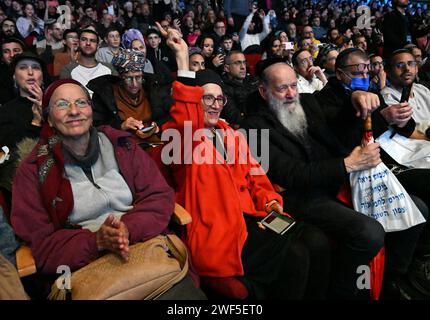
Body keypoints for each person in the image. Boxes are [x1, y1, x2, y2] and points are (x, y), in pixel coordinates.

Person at [160, 27, 331, 300]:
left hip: (254, 218)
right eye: (206, 98)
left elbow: (257, 178)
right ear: (194, 101)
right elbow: (185, 121)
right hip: (218, 230)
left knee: (318, 242)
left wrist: (270, 203)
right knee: (297, 256)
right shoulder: (179, 139)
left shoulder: (233, 135)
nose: (215, 105)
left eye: (219, 98)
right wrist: (182, 61)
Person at [241, 59, 429, 299]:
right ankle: (342, 293)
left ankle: (392, 280)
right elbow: (292, 174)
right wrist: (349, 164)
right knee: (368, 232)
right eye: (282, 88)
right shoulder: (252, 129)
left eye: (293, 86)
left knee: (416, 209)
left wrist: (357, 95)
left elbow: (340, 117)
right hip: (301, 197)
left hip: (342, 182)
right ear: (264, 91)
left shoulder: (307, 102)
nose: (291, 94)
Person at [10, 78, 206, 300]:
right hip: (83, 267)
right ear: (49, 118)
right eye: (62, 105)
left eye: (81, 103)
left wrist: (127, 229)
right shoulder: (33, 171)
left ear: (91, 110)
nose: (74, 111)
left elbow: (159, 196)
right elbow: (42, 244)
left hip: (144, 247)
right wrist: (97, 241)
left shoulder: (122, 144)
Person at [88, 49, 172, 146]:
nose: (134, 84)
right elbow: (97, 126)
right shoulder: (105, 94)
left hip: (155, 143)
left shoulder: (154, 88)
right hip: (123, 147)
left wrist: (157, 128)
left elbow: (169, 116)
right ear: (120, 77)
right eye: (128, 78)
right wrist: (121, 126)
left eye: (138, 77)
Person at [0, 52, 47, 193]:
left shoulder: (58, 103)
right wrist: (36, 122)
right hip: (21, 178)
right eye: (23, 68)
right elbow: (4, 154)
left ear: (42, 77)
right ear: (14, 77)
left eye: (36, 68)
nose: (31, 72)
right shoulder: (6, 111)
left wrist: (48, 110)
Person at [60, 29, 118, 96]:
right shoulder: (68, 70)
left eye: (92, 41)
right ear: (78, 43)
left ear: (98, 46)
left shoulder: (109, 68)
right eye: (84, 39)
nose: (88, 43)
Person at [221, 50, 259, 128]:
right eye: (237, 63)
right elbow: (234, 117)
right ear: (227, 68)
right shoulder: (223, 88)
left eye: (244, 62)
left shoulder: (254, 81)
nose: (243, 67)